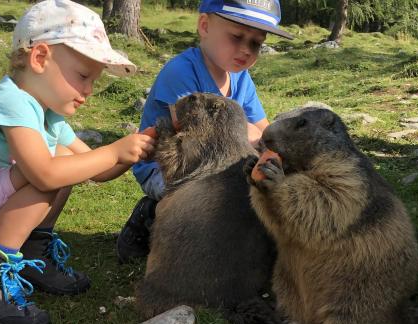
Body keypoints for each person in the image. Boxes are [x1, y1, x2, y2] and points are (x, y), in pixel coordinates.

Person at [0, 1, 155, 324]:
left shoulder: (46, 114)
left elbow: (97, 170)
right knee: (51, 168)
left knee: (67, 161)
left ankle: (31, 256)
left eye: (93, 81)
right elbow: (44, 174)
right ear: (39, 58)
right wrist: (112, 151)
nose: (89, 91)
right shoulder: (11, 102)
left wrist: (133, 149)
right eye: (83, 76)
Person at [116, 0, 293, 263]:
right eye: (236, 37)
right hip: (169, 167)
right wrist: (258, 142)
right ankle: (150, 218)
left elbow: (261, 128)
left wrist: (276, 154)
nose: (246, 50)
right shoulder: (181, 71)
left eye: (256, 43)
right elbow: (195, 126)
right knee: (200, 197)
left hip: (215, 163)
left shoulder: (241, 77)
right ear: (204, 25)